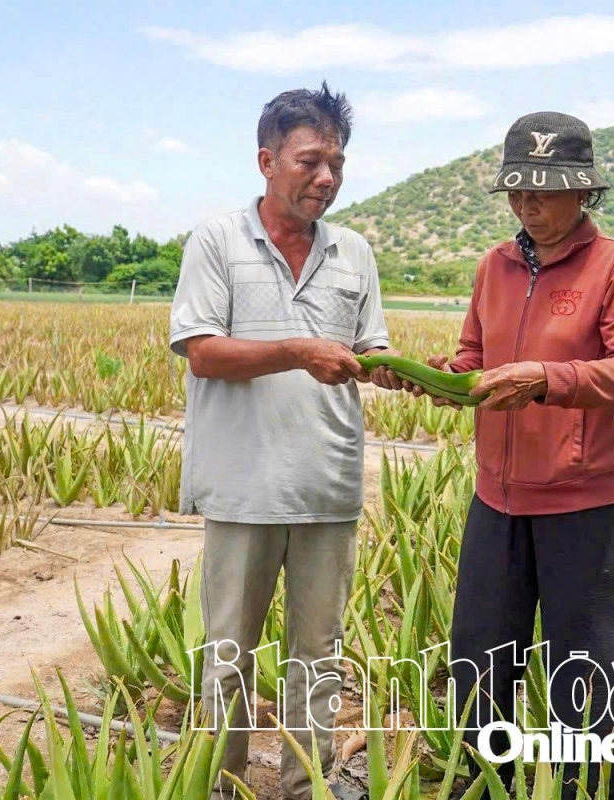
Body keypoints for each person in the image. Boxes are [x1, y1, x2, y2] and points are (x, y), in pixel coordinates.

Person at [392, 111, 614, 799]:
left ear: (583, 193)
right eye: (516, 189)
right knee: (480, 663)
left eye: (542, 189)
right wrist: (441, 380)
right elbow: (475, 363)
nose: (526, 202)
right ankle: (486, 786)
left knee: (588, 670)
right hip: (496, 500)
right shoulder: (495, 266)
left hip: (584, 504)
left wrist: (546, 379)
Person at [169, 82, 399, 800]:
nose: (325, 177)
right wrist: (299, 350)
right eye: (309, 161)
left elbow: (368, 350)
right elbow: (202, 350)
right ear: (266, 161)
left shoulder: (355, 252)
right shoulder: (216, 241)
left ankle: (306, 787)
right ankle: (224, 785)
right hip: (242, 487)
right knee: (228, 651)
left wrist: (410, 375)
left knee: (318, 655)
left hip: (327, 485)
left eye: (336, 162)